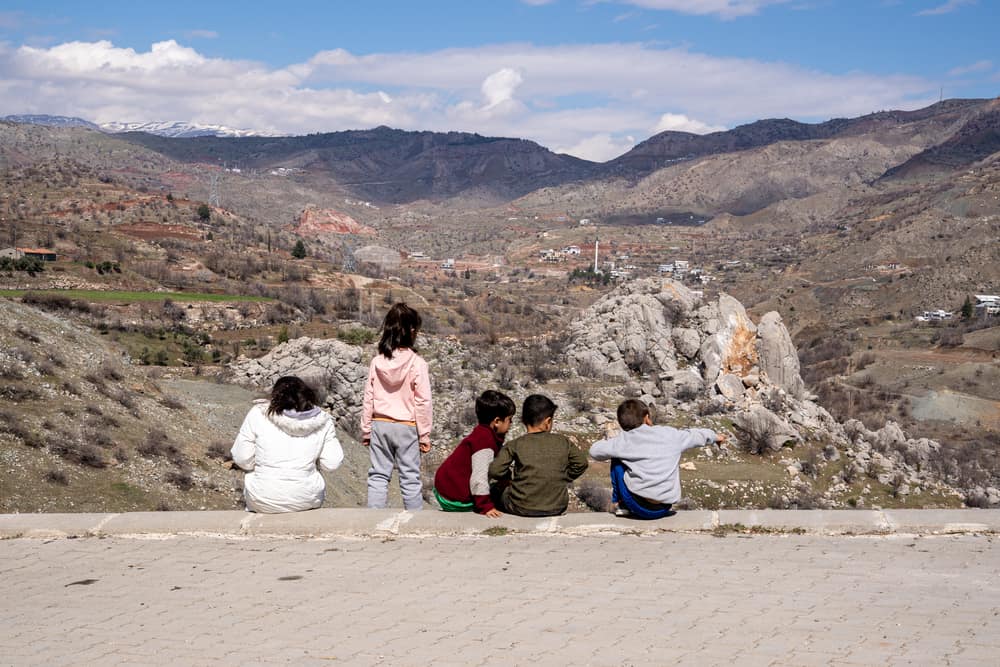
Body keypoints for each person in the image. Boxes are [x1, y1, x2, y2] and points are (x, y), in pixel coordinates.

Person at [589, 398, 726, 519]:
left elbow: (594, 451)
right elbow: (696, 435)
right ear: (647, 417)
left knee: (617, 461)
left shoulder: (623, 441)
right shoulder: (670, 434)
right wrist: (714, 436)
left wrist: (616, 442)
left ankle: (620, 505)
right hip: (665, 506)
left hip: (637, 505)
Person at [231, 376, 344, 513]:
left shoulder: (258, 413)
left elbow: (242, 458)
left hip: (262, 498)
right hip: (306, 498)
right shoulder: (323, 420)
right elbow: (332, 463)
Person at [361, 302, 433, 511]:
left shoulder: (377, 362)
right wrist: (424, 434)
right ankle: (414, 523)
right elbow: (423, 401)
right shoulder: (417, 363)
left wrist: (366, 429)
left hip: (379, 424)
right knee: (410, 477)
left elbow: (369, 397)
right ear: (412, 331)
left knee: (378, 475)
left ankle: (373, 520)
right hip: (407, 426)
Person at [488, 394, 588, 517]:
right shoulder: (563, 441)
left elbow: (494, 470)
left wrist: (508, 479)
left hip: (519, 507)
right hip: (557, 506)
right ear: (548, 421)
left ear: (524, 420)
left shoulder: (515, 444)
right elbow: (582, 463)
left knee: (494, 490)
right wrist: (564, 477)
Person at [433, 390, 516, 517]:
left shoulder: (485, 433)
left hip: (447, 486)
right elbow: (479, 477)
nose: (511, 423)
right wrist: (485, 506)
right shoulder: (484, 442)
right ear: (497, 421)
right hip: (453, 495)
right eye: (509, 419)